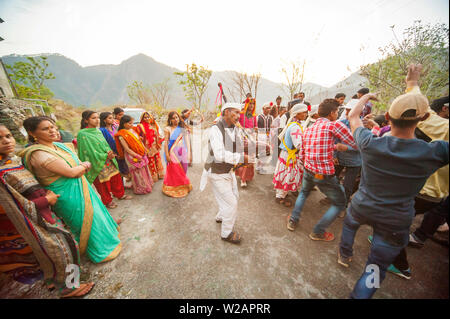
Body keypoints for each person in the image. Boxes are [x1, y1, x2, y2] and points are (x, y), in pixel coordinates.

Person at [337, 64, 449, 299]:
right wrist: (415, 87)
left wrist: (366, 96)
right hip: (396, 219)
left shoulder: (369, 142)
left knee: (348, 227)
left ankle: (344, 254)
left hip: (362, 205)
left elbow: (353, 116)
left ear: (387, 117)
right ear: (425, 118)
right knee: (375, 269)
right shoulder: (434, 152)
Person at [0, 125, 95, 298]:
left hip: (42, 213)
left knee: (48, 253)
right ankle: (69, 287)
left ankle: (53, 280)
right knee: (64, 247)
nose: (7, 141)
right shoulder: (2, 170)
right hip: (28, 220)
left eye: (8, 136)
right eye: (0, 139)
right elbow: (9, 205)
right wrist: (46, 200)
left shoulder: (11, 162)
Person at [20, 116, 122, 264]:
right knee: (83, 220)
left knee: (95, 214)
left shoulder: (58, 146)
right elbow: (72, 172)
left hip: (79, 186)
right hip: (66, 194)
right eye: (45, 129)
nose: (52, 131)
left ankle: (108, 238)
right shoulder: (38, 154)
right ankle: (100, 251)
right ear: (32, 133)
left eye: (53, 127)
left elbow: (76, 165)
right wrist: (86, 165)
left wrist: (81, 166)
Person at [287, 99, 356, 242]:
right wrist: (346, 147)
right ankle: (318, 231)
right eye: (337, 112)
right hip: (323, 173)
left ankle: (293, 220)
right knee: (339, 202)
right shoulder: (333, 125)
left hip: (308, 169)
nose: (338, 114)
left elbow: (303, 153)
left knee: (304, 192)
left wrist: (335, 147)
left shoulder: (309, 129)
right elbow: (356, 142)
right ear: (332, 113)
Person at [200, 103, 249, 244]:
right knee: (232, 203)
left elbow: (238, 145)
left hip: (227, 170)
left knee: (229, 196)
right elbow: (220, 154)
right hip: (216, 172)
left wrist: (254, 147)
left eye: (240, 113)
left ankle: (221, 216)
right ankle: (226, 233)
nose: (239, 116)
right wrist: (241, 158)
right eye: (236, 113)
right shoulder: (215, 129)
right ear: (226, 112)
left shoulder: (234, 129)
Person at [77, 111, 132, 209]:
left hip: (108, 158)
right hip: (97, 161)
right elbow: (87, 151)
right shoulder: (82, 134)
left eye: (97, 117)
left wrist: (110, 153)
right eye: (93, 118)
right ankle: (107, 201)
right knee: (103, 183)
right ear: (86, 120)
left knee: (116, 177)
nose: (97, 120)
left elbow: (104, 145)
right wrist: (104, 156)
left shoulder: (98, 131)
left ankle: (119, 194)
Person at [273, 104, 309, 207]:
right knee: (286, 175)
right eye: (304, 112)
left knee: (285, 174)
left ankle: (282, 193)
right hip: (289, 155)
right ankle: (280, 196)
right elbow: (298, 144)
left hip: (288, 154)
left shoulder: (293, 124)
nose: (306, 114)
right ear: (297, 114)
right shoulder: (295, 127)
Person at [115, 115, 154, 195]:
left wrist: (144, 149)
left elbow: (138, 141)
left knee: (144, 170)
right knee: (137, 172)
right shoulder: (121, 134)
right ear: (124, 124)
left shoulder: (132, 130)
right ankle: (140, 188)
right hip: (131, 155)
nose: (132, 125)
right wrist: (136, 156)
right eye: (129, 123)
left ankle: (146, 185)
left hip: (140, 152)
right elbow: (127, 149)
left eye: (132, 123)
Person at [162, 111, 192, 198]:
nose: (175, 120)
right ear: (170, 120)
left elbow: (187, 142)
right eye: (173, 118)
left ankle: (183, 185)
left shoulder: (183, 128)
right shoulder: (167, 129)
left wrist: (189, 154)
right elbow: (166, 143)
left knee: (184, 169)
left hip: (182, 151)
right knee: (174, 171)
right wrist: (167, 155)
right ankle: (174, 187)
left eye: (177, 117)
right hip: (172, 152)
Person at [135, 112, 165, 182]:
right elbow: (138, 136)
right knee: (150, 161)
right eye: (145, 117)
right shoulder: (140, 126)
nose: (147, 119)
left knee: (157, 159)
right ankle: (153, 176)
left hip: (155, 145)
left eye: (148, 117)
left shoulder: (153, 124)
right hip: (147, 146)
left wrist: (159, 140)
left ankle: (159, 174)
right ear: (142, 118)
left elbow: (157, 133)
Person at [236, 98, 257, 187]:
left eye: (253, 104)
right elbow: (236, 123)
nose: (251, 106)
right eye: (250, 103)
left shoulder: (254, 116)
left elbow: (255, 126)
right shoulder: (240, 114)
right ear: (246, 104)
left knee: (250, 157)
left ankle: (247, 176)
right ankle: (243, 179)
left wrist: (255, 129)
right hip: (242, 137)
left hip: (251, 138)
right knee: (244, 157)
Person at [256, 102, 273, 174]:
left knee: (265, 152)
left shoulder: (270, 117)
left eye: (269, 108)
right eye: (267, 108)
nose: (268, 110)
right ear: (263, 109)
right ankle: (259, 167)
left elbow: (271, 127)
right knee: (260, 152)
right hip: (260, 135)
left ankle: (261, 167)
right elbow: (256, 128)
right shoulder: (258, 117)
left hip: (267, 136)